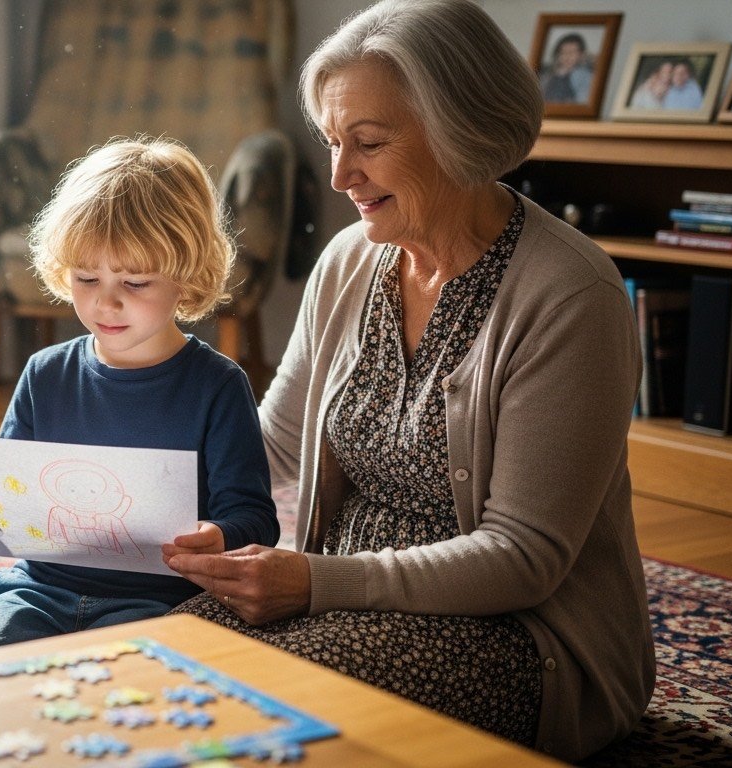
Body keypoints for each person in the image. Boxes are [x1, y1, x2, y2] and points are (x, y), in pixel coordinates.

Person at [163, 0, 653, 762]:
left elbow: (523, 556)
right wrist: (127, 495)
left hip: (518, 635)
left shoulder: (571, 296)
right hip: (333, 588)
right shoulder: (351, 260)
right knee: (159, 656)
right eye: (332, 142)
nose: (338, 175)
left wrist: (317, 584)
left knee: (268, 708)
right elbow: (275, 442)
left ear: (460, 128)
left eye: (369, 143)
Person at [0, 137, 281, 653]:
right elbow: (7, 505)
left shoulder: (219, 386)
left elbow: (256, 518)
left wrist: (218, 535)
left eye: (136, 282)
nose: (107, 301)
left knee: (140, 684)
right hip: (37, 592)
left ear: (185, 279)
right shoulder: (44, 374)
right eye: (86, 277)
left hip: (162, 604)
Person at [539, 32, 592, 104]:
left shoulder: (584, 76)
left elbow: (582, 103)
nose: (567, 56)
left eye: (572, 52)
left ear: (581, 55)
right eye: (563, 52)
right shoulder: (547, 75)